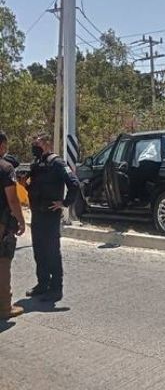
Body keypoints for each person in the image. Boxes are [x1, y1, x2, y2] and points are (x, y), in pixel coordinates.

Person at [23, 133, 80, 303]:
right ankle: (42, 284)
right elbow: (31, 186)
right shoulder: (37, 164)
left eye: (38, 144)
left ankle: (56, 288)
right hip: (37, 214)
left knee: (52, 252)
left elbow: (74, 184)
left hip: (50, 214)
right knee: (39, 250)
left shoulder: (57, 163)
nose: (35, 147)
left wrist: (64, 203)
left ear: (47, 144)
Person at [0, 132, 26, 319]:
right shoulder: (5, 168)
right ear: (2, 145)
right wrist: (21, 220)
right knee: (2, 263)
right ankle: (4, 307)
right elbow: (13, 199)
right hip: (2, 223)